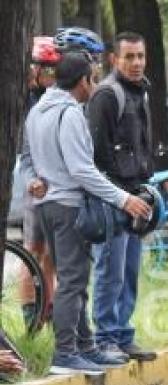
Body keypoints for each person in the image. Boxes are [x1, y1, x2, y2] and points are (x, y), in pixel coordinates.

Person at [19, 53, 151, 375]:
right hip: (68, 207)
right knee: (74, 281)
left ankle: (85, 345)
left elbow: (26, 160)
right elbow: (82, 170)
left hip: (48, 205)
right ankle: (65, 352)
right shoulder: (71, 114)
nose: (95, 83)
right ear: (83, 81)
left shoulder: (37, 111)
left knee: (71, 276)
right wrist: (123, 200)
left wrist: (32, 181)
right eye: (93, 77)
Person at [86, 31, 157, 362]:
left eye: (140, 56)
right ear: (114, 59)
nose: (136, 63)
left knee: (129, 270)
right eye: (129, 57)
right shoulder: (106, 95)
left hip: (137, 196)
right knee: (109, 270)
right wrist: (118, 198)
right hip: (112, 197)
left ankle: (123, 334)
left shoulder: (141, 92)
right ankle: (104, 338)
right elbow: (97, 156)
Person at [19, 37, 62, 329]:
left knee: (50, 256)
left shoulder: (56, 96)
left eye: (54, 67)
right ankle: (29, 316)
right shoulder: (26, 100)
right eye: (45, 67)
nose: (50, 74)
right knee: (32, 251)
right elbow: (25, 153)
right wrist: (31, 180)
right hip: (35, 184)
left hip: (57, 187)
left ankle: (47, 312)